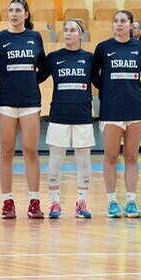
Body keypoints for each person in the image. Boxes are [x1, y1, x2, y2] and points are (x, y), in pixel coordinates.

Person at [0, 0, 47, 219]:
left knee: (31, 150)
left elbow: (43, 67)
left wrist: (30, 80)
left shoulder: (35, 37)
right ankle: (7, 201)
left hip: (30, 101)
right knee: (7, 151)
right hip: (5, 101)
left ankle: (34, 201)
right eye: (10, 10)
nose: (14, 14)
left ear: (26, 14)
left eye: (18, 10)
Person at [93, 10, 141, 218]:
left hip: (135, 108)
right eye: (115, 21)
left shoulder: (140, 48)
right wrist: (107, 89)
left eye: (123, 21)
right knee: (111, 156)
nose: (119, 24)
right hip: (112, 109)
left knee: (132, 157)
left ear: (131, 25)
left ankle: (132, 201)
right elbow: (94, 75)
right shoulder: (103, 48)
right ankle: (112, 202)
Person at [42, 20, 95, 219]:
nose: (68, 33)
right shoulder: (53, 58)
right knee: (55, 160)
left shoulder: (89, 59)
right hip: (59, 115)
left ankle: (81, 202)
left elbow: (100, 81)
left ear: (81, 34)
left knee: (84, 161)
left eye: (73, 30)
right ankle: (54, 202)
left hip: (82, 115)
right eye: (66, 30)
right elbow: (37, 77)